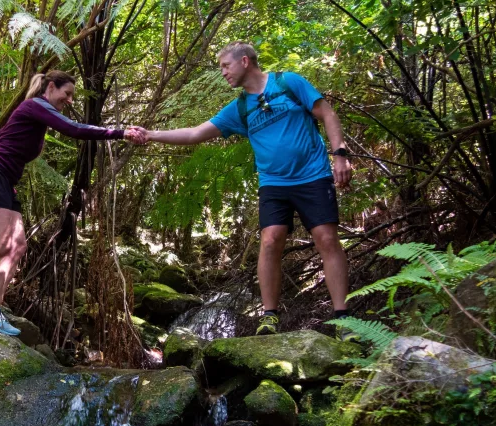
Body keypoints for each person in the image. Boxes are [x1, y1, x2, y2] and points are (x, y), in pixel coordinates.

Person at [137, 42, 356, 339]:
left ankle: (343, 318)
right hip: (273, 183)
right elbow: (195, 134)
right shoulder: (239, 108)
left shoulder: (288, 83)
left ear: (244, 62)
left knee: (326, 238)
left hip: (313, 176)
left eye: (225, 66)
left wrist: (340, 154)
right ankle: (269, 315)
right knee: (270, 240)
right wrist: (150, 134)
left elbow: (327, 114)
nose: (223, 73)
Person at [0, 70, 146, 335]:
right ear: (51, 87)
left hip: (2, 180)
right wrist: (121, 133)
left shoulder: (35, 115)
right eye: (67, 94)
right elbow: (75, 129)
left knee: (16, 247)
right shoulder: (35, 106)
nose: (69, 100)